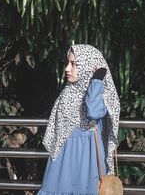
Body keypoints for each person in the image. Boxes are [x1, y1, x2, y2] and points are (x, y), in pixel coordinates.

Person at [37, 44, 120, 195]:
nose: (67, 69)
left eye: (74, 64)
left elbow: (93, 112)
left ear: (88, 66)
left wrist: (96, 80)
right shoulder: (68, 92)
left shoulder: (100, 92)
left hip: (87, 160)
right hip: (62, 160)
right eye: (68, 63)